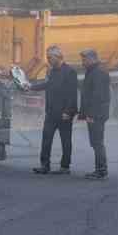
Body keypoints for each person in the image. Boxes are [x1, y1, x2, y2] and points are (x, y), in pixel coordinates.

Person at [28, 45, 79, 174]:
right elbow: (47, 84)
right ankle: (45, 165)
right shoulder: (52, 71)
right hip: (51, 112)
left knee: (65, 141)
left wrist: (68, 112)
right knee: (46, 139)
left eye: (50, 57)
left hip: (64, 114)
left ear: (58, 57)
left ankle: (65, 166)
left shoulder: (70, 72)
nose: (48, 60)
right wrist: (31, 87)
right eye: (47, 57)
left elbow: (72, 94)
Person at [78, 48, 110, 179]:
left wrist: (91, 115)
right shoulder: (92, 72)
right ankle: (100, 170)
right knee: (96, 142)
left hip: (96, 114)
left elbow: (98, 96)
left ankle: (101, 171)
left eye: (84, 60)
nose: (82, 62)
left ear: (92, 59)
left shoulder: (98, 73)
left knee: (97, 142)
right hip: (95, 114)